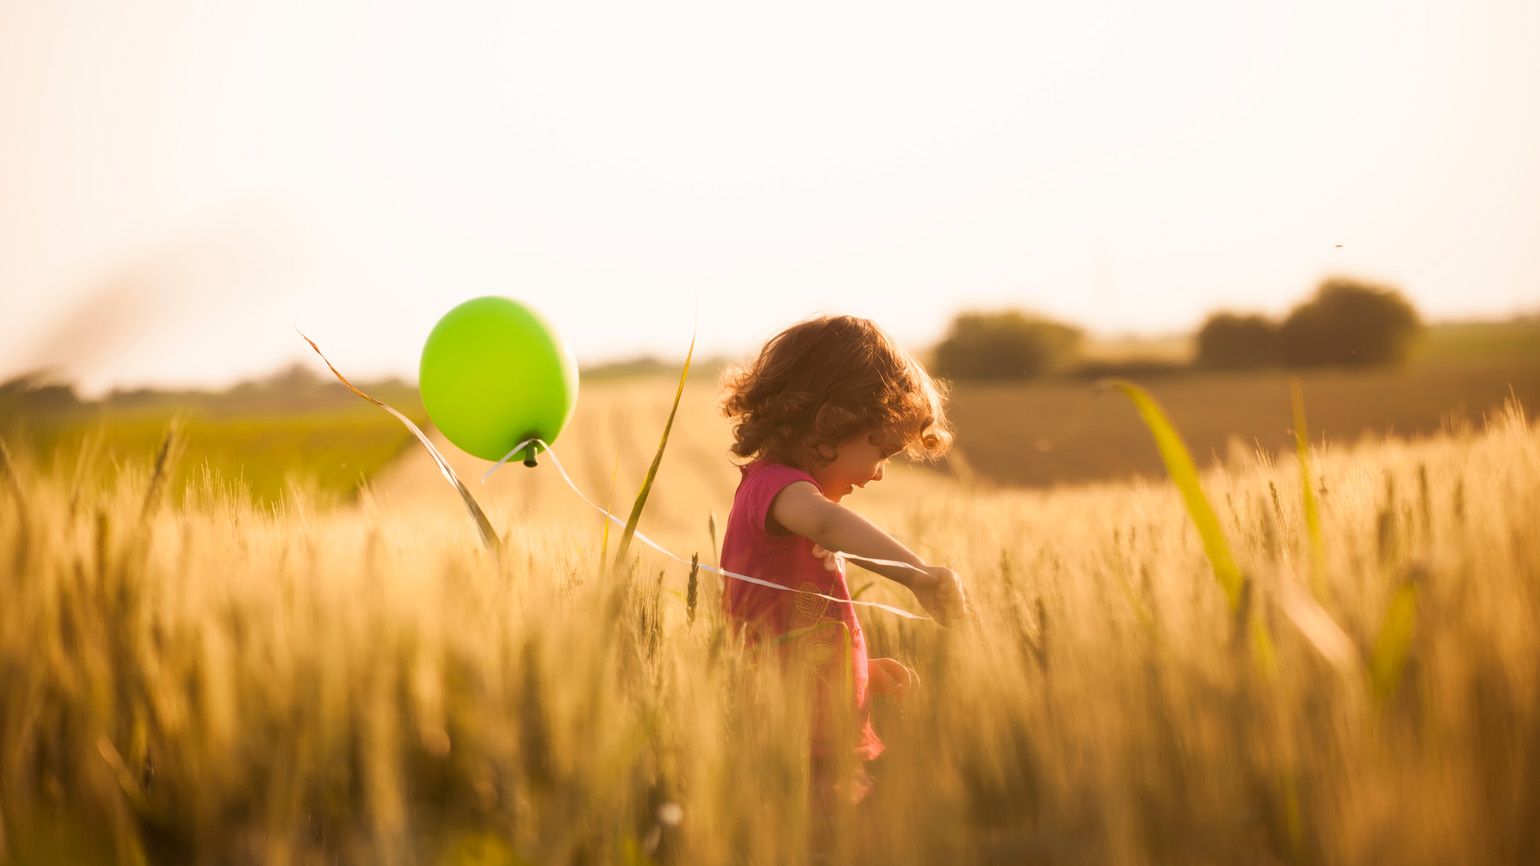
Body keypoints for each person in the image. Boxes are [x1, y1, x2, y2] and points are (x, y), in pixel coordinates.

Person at [716, 314, 970, 817]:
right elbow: (830, 525)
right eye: (881, 449)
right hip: (792, 741)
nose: (878, 474)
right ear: (831, 421)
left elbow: (801, 628)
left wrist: (855, 674)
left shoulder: (786, 495)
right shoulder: (775, 489)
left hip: (821, 732)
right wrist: (917, 575)